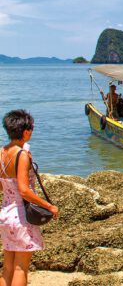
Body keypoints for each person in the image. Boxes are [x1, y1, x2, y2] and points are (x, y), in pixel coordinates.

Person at [0, 110, 59, 286]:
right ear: (26, 131)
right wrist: (49, 206)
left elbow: (2, 185)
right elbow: (24, 191)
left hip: (5, 214)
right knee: (20, 268)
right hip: (21, 217)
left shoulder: (2, 152)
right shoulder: (22, 155)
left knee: (7, 267)